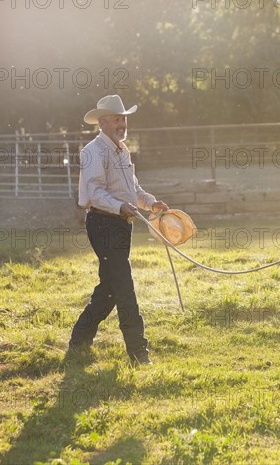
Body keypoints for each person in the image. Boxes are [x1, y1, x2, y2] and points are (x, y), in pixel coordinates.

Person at [68, 94, 168, 365]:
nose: (122, 123)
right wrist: (120, 206)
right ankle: (138, 353)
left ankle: (79, 339)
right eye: (116, 119)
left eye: (123, 118)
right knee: (123, 285)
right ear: (102, 123)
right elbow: (95, 192)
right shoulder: (92, 152)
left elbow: (132, 188)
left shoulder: (122, 150)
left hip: (120, 224)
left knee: (110, 288)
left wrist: (150, 203)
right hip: (103, 223)